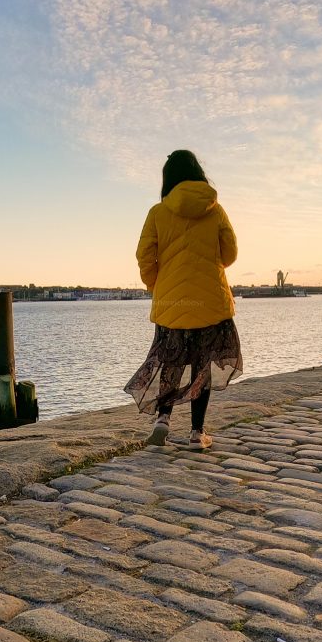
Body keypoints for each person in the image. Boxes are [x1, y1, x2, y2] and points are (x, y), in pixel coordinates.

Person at [124, 149, 243, 449]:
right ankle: (196, 433)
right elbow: (229, 254)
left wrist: (157, 284)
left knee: (170, 363)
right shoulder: (215, 210)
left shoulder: (157, 212)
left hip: (171, 304)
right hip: (210, 304)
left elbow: (144, 257)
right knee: (203, 367)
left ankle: (162, 420)